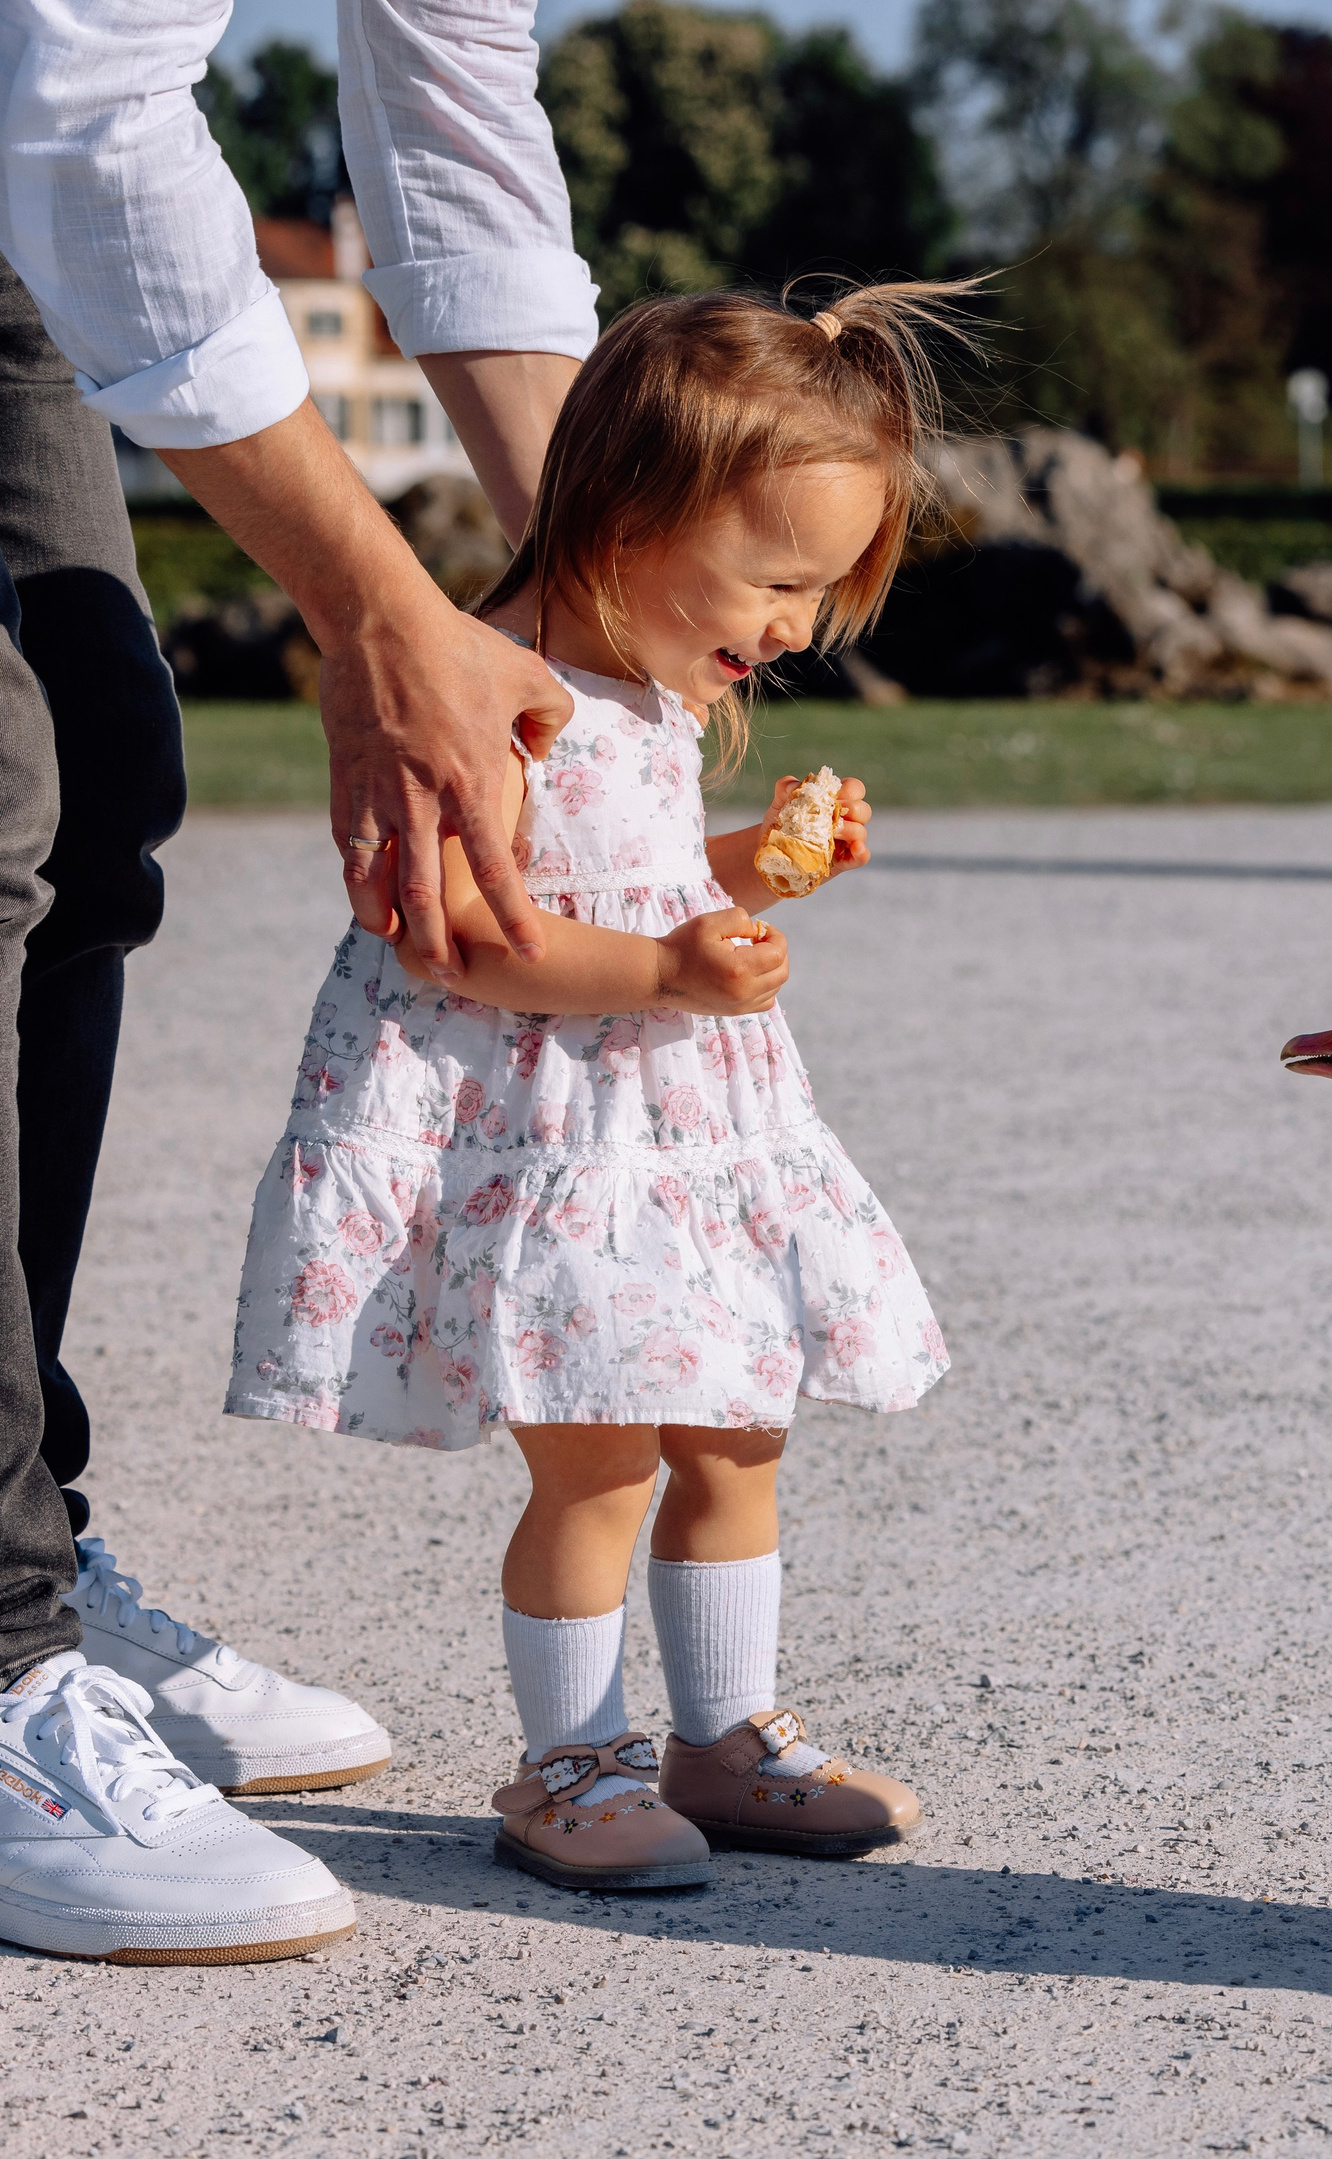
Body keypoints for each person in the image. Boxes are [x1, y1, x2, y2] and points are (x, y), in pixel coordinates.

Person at [226, 287, 954, 1891]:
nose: (788, 632)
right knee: (600, 1452)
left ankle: (725, 1735)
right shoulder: (493, 693)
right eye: (775, 583)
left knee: (736, 1434)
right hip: (559, 1141)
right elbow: (468, 942)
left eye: (816, 598)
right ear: (629, 520)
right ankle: (569, 1763)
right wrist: (675, 975)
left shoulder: (653, 703)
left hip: (675, 1135)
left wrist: (743, 868)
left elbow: (619, 879)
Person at [0, 0, 591, 1961]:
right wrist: (373, 607)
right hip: (36, 122)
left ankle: (27, 1544)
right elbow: (86, 101)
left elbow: (454, 138)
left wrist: (612, 622)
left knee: (99, 784)